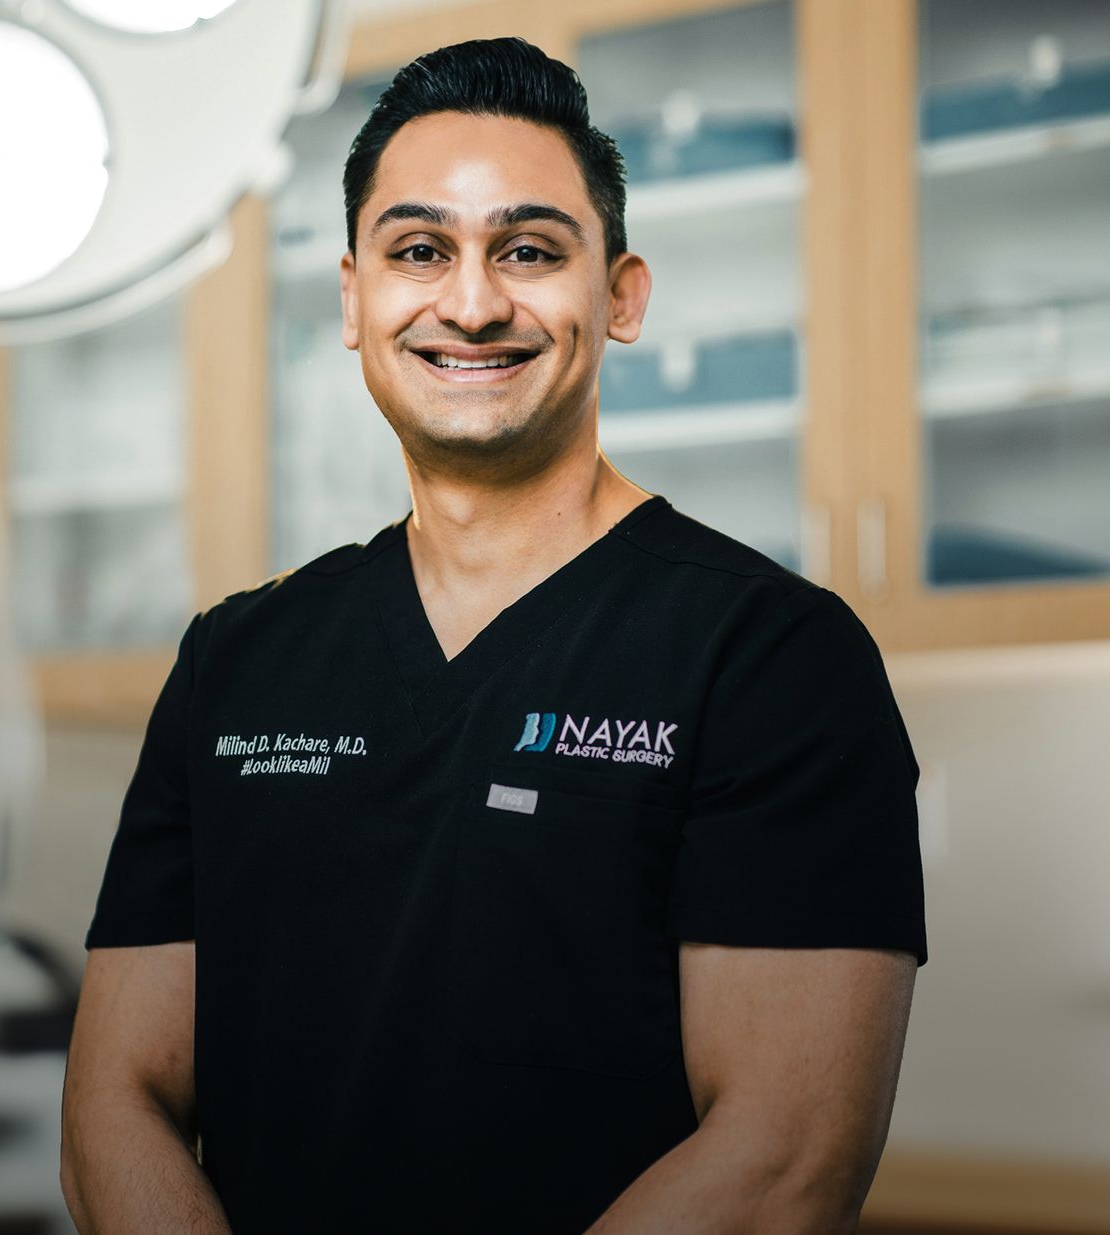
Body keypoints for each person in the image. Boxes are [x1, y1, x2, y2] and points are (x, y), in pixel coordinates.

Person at [59, 36, 925, 1234]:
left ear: (619, 296)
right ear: (355, 301)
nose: (470, 302)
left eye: (527, 249)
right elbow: (117, 1100)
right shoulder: (233, 659)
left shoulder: (773, 658)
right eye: (419, 251)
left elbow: (780, 1161)